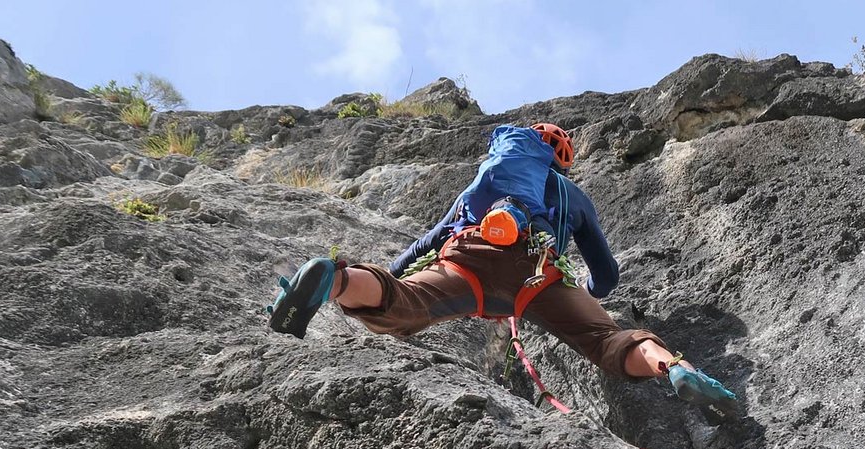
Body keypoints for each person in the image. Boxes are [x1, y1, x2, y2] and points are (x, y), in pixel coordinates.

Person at [267, 123, 737, 420]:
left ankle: (335, 279)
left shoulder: (487, 180)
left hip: (469, 256)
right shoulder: (575, 198)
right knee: (606, 341)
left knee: (405, 306)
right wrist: (587, 294)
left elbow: (430, 239)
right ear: (561, 161)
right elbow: (607, 274)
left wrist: (392, 274)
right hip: (539, 274)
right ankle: (673, 367)